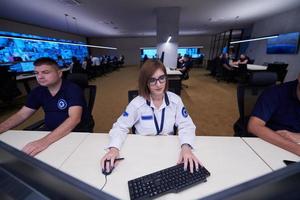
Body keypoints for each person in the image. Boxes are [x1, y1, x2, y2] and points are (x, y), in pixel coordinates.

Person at [101, 60, 201, 173]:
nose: (158, 84)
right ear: (146, 82)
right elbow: (120, 127)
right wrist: (114, 149)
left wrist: (186, 148)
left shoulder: (175, 101)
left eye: (161, 78)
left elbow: (186, 125)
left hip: (169, 152)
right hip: (143, 152)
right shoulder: (137, 104)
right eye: (152, 80)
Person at [0, 57, 92, 156]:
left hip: (75, 132)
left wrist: (43, 142)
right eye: (36, 73)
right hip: (50, 131)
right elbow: (22, 115)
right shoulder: (38, 91)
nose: (40, 77)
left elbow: (74, 119)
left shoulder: (72, 89)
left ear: (59, 73)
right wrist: (2, 127)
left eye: (45, 72)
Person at [248, 73, 300, 156]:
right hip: (269, 145)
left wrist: (297, 136)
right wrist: (296, 149)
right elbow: (254, 126)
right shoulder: (275, 92)